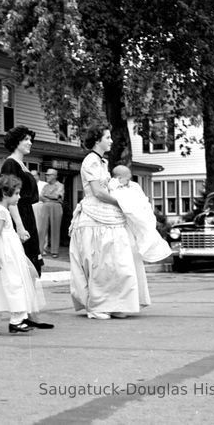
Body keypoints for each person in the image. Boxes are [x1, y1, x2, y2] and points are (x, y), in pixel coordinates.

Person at [69, 124, 150, 320]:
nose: (111, 141)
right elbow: (97, 192)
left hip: (106, 213)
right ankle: (99, 305)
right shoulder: (91, 161)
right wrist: (121, 202)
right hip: (94, 214)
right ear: (98, 140)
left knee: (116, 261)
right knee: (101, 262)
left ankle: (116, 302)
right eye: (107, 137)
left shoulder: (101, 162)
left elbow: (107, 187)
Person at [0, 176, 47, 335]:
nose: (19, 197)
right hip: (4, 255)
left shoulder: (2, 210)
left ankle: (10, 320)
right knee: (11, 283)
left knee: (9, 284)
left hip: (9, 252)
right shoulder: (1, 212)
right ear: (6, 194)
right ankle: (7, 320)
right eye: (17, 193)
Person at [0, 126, 54, 329]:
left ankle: (28, 312)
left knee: (31, 266)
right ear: (16, 142)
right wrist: (20, 228)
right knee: (20, 266)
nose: (30, 143)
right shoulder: (10, 164)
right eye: (26, 140)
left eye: (31, 139)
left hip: (27, 215)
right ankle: (20, 314)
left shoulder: (21, 164)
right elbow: (10, 198)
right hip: (18, 217)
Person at [108, 165, 172, 263]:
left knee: (147, 231)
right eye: (127, 179)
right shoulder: (113, 188)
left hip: (140, 215)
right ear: (119, 178)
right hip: (124, 224)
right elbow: (126, 206)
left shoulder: (133, 187)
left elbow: (143, 202)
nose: (129, 181)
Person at [38, 168, 64, 258]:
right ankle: (40, 249)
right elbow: (41, 196)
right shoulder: (45, 186)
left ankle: (54, 251)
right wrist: (50, 197)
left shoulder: (60, 185)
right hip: (45, 205)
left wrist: (47, 196)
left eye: (49, 175)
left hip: (56, 206)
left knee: (55, 228)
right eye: (47, 175)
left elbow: (57, 196)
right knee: (42, 228)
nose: (47, 177)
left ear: (55, 176)